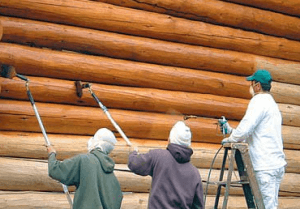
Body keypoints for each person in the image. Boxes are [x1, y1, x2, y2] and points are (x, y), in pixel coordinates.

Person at [221, 69, 287, 209]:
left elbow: (245, 128)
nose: (250, 87)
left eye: (251, 83)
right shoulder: (272, 104)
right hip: (275, 164)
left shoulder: (258, 101)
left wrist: (230, 138)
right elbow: (255, 133)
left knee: (266, 206)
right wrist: (230, 130)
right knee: (270, 205)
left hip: (265, 166)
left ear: (257, 86)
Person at [128, 121, 204, 209]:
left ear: (169, 139)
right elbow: (198, 206)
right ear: (188, 144)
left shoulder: (158, 157)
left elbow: (134, 164)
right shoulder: (194, 173)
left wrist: (133, 152)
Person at [47, 128, 123, 209]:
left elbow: (55, 170)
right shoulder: (113, 177)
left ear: (96, 142)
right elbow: (118, 198)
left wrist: (51, 154)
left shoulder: (84, 160)